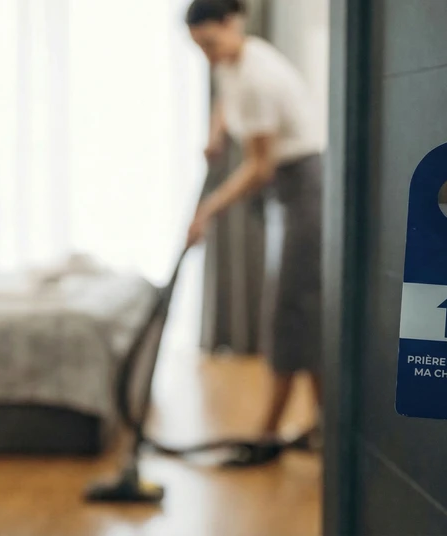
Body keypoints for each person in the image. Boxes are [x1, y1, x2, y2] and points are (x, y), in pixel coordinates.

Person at [184, 0, 323, 466]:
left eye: (209, 43)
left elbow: (259, 167)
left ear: (232, 22)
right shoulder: (235, 58)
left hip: (305, 188)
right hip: (288, 190)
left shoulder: (260, 76)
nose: (207, 55)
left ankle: (266, 439)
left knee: (288, 311)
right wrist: (215, 132)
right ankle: (328, 426)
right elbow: (227, 95)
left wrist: (208, 209)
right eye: (198, 47)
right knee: (307, 310)